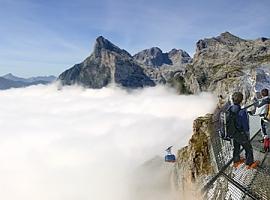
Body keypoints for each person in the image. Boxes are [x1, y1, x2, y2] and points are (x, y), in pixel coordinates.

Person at [231, 92, 259, 169]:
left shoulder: (230, 109)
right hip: (241, 133)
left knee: (236, 147)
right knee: (248, 148)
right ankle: (249, 164)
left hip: (233, 132)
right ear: (241, 100)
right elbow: (246, 126)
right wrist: (247, 134)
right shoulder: (242, 112)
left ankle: (236, 161)